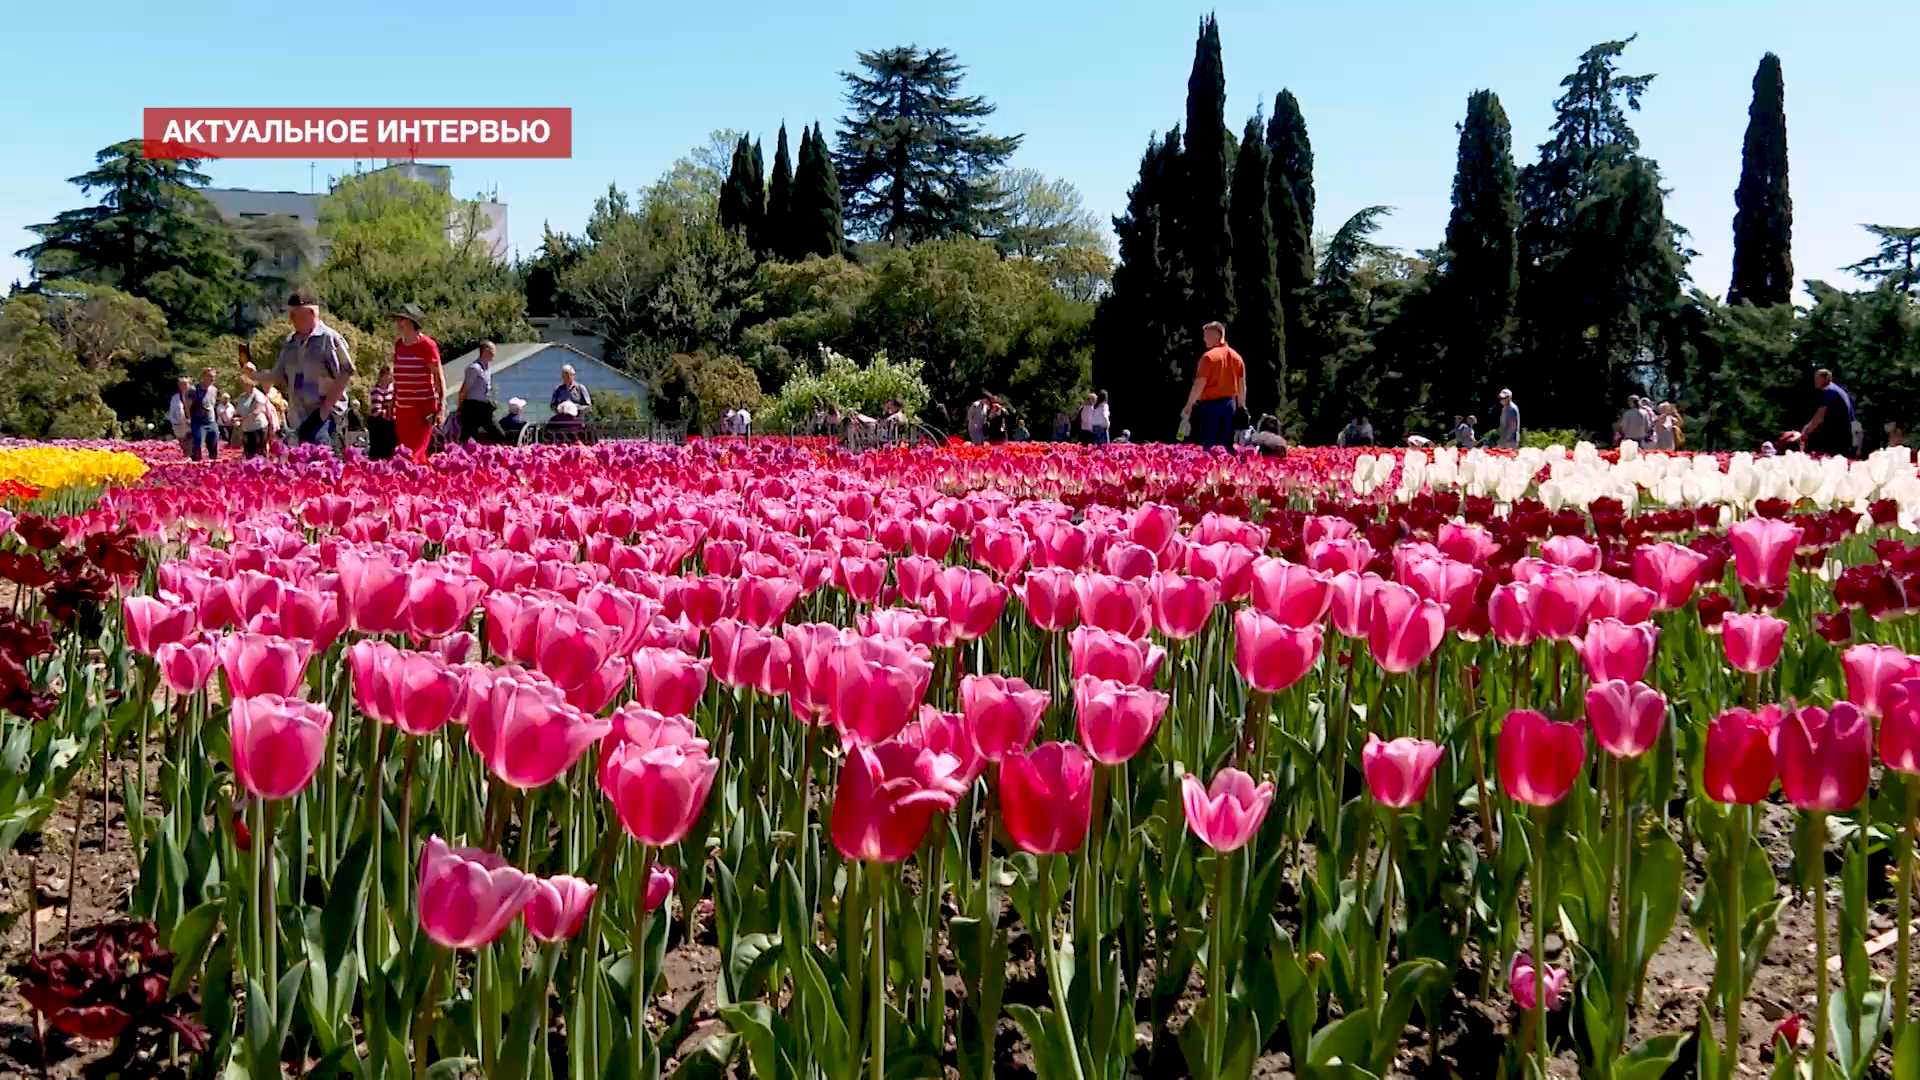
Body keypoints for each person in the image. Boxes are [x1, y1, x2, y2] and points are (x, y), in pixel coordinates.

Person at [261, 291, 355, 449]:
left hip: (322, 416)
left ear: (310, 313)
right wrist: (253, 374)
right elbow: (276, 374)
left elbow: (346, 371)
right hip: (298, 416)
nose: (290, 320)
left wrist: (324, 410)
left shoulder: (329, 338)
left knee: (320, 460)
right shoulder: (291, 342)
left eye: (294, 314)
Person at [390, 303, 444, 462]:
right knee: (405, 452)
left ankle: (419, 482)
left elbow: (438, 377)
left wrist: (441, 406)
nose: (399, 323)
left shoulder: (427, 345)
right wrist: (393, 402)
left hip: (423, 409)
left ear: (412, 322)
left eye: (402, 319)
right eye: (398, 319)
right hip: (403, 410)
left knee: (415, 453)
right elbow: (398, 377)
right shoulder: (399, 345)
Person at [1180, 321, 1245, 450]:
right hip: (1229, 406)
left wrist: (1189, 405)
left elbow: (1199, 384)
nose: (1204, 339)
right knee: (1227, 446)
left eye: (1206, 335)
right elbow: (1242, 386)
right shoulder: (1237, 358)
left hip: (1210, 406)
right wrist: (1242, 407)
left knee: (1209, 446)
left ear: (1215, 335)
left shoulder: (1208, 357)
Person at [1782, 368, 1856, 457]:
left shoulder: (1830, 391)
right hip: (1846, 432)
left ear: (1826, 379)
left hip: (1841, 434)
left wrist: (1803, 434)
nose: (1815, 381)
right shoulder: (1835, 389)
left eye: (1817, 378)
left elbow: (1819, 417)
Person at [458, 341, 507, 445]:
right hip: (472, 406)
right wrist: (460, 406)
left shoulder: (487, 368)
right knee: (469, 438)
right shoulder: (474, 368)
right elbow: (464, 389)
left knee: (499, 435)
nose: (495, 353)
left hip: (484, 407)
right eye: (493, 350)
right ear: (485, 350)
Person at [233, 373, 271, 459]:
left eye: (243, 383)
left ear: (249, 383)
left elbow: (257, 411)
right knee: (249, 453)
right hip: (247, 429)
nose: (242, 385)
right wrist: (235, 418)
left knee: (260, 453)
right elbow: (237, 411)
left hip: (258, 428)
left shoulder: (258, 395)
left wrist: (241, 418)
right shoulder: (242, 397)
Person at [366, 363, 398, 461]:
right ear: (384, 375)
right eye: (390, 374)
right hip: (380, 424)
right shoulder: (377, 390)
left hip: (390, 423)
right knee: (380, 451)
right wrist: (389, 413)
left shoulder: (392, 389)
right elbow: (376, 411)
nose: (392, 377)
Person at [188, 368, 220, 461]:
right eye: (210, 376)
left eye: (214, 377)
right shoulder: (194, 390)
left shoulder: (214, 390)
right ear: (203, 377)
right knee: (198, 444)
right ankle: (196, 466)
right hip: (198, 422)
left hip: (211, 421)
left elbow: (212, 405)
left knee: (213, 443)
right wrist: (189, 418)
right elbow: (187, 405)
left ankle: (213, 464)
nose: (212, 379)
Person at [167, 376, 193, 457]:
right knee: (183, 446)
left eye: (185, 384)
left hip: (193, 425)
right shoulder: (175, 398)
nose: (183, 386)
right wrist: (174, 422)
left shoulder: (195, 396)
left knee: (191, 444)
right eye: (181, 384)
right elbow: (172, 412)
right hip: (179, 426)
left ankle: (191, 459)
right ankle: (187, 459)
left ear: (189, 384)